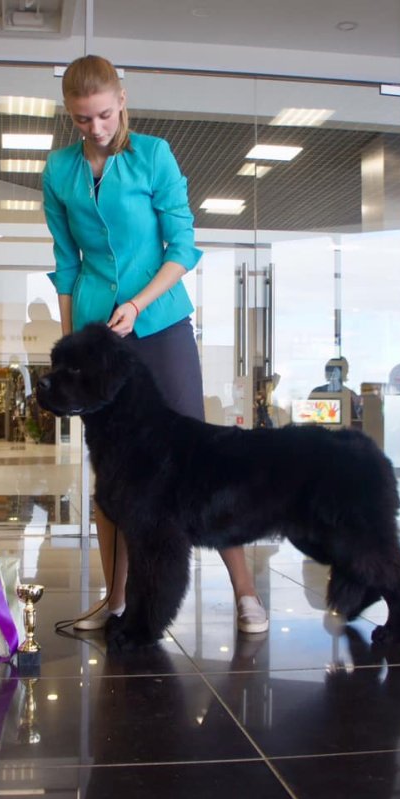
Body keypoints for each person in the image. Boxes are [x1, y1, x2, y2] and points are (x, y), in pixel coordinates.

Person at [42, 54, 268, 634]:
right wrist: (72, 344)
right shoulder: (59, 170)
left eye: (104, 114)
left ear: (121, 100)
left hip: (160, 323)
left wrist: (139, 303)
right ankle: (115, 601)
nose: (96, 128)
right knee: (112, 474)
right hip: (97, 334)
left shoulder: (153, 155)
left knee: (198, 459)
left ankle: (245, 593)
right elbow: (67, 262)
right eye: (82, 119)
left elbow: (182, 247)